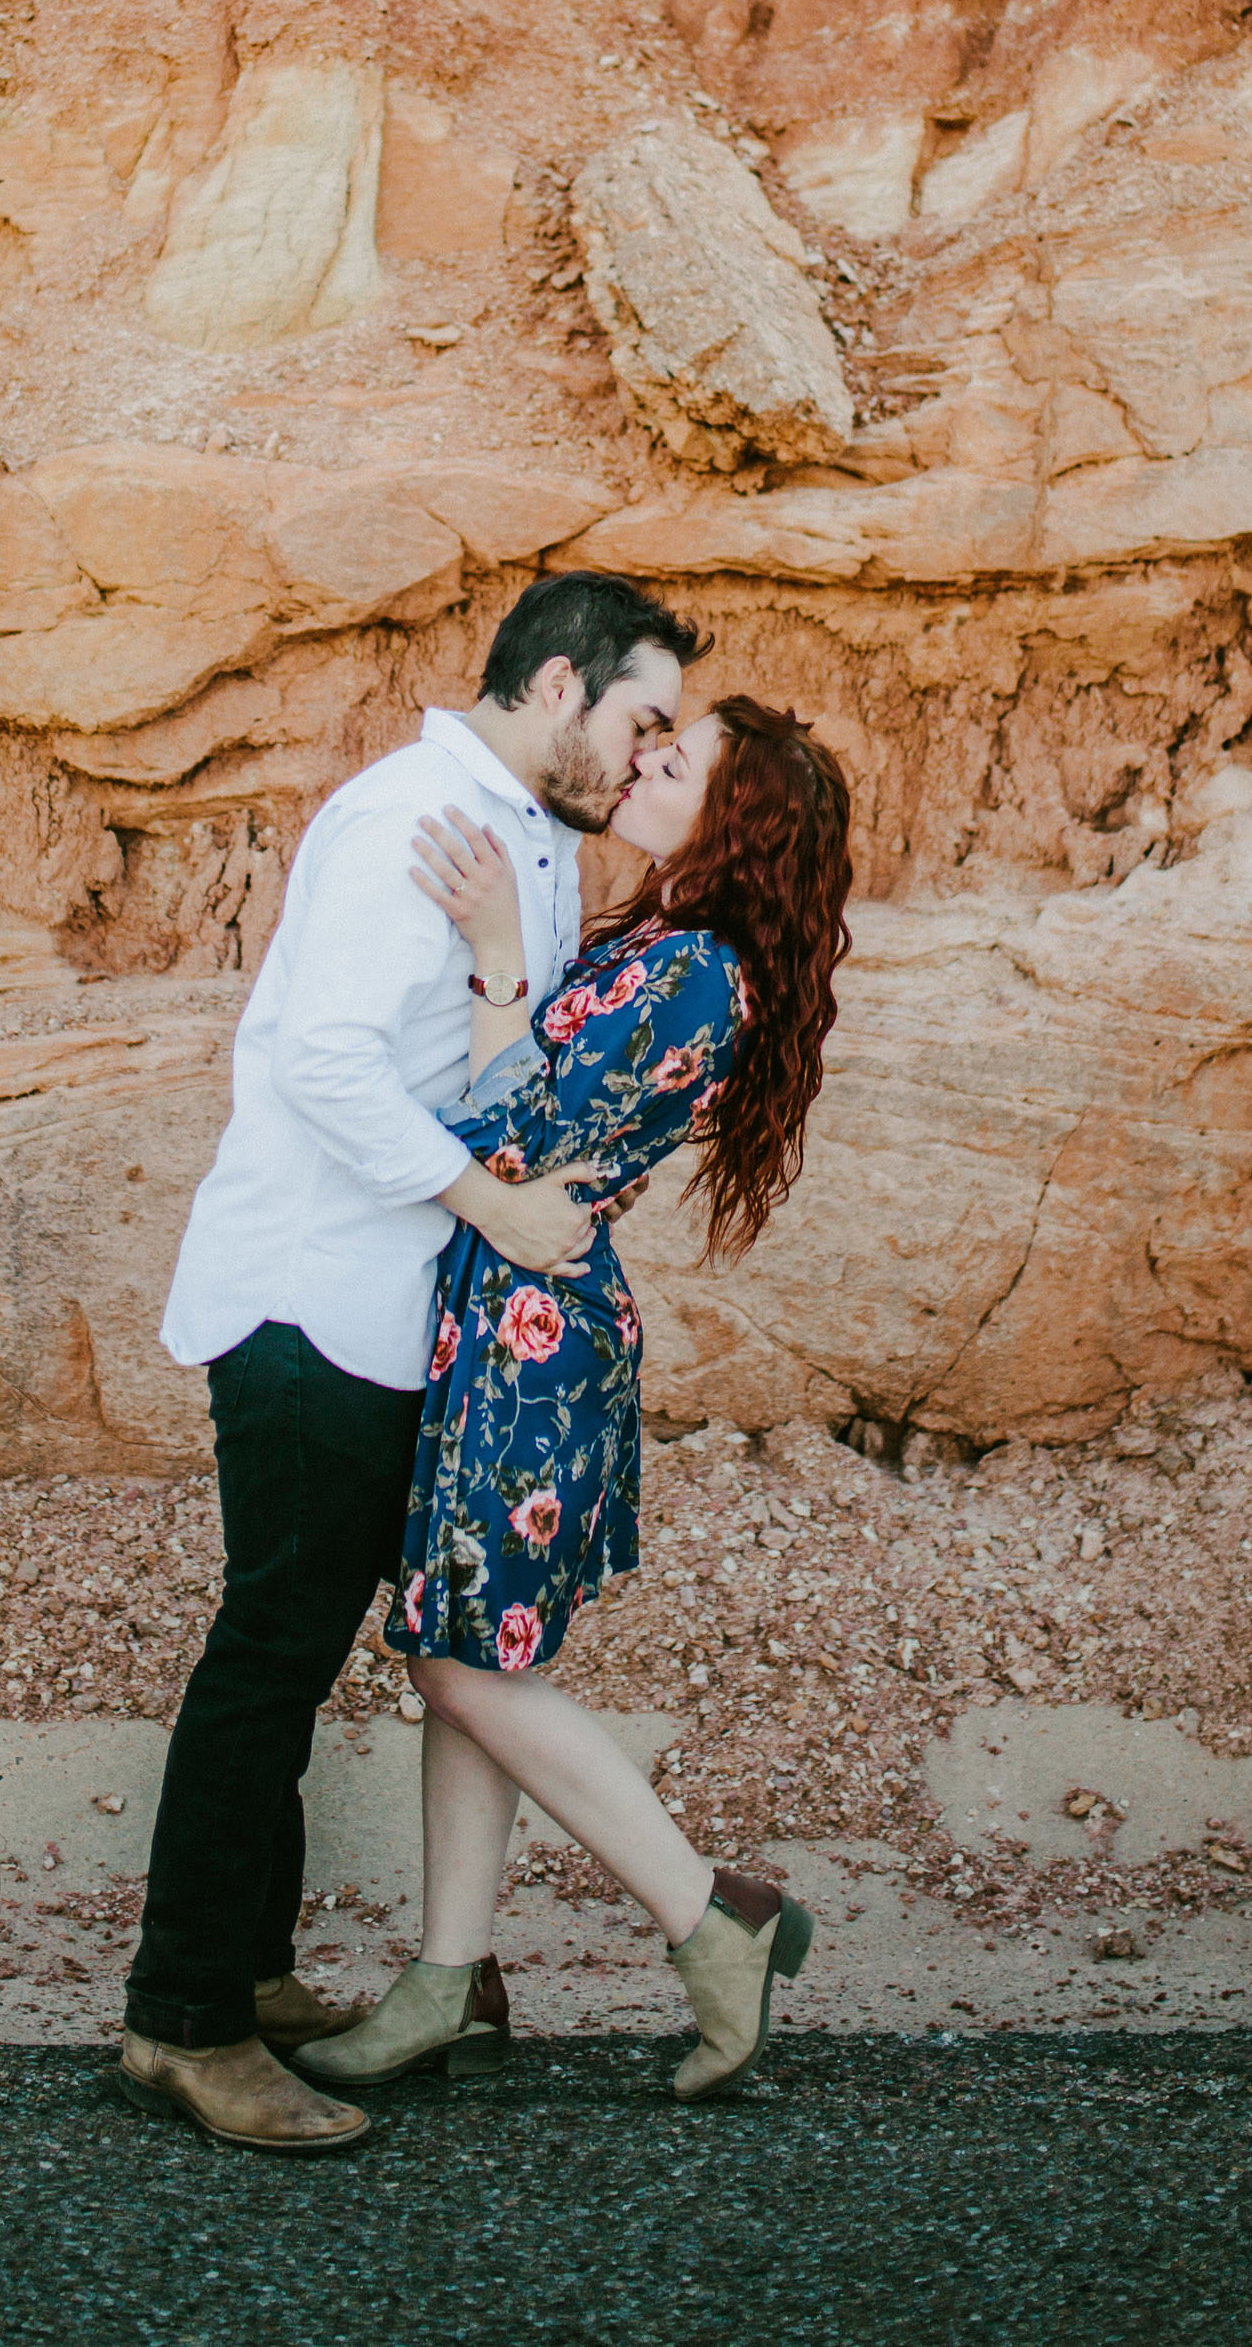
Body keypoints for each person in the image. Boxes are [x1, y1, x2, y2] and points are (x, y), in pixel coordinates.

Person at [114, 570, 707, 2152]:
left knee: (298, 1651)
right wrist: (490, 1203)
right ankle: (182, 2021)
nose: (648, 755)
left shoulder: (521, 836)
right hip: (314, 1299)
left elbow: (498, 1052)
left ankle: (247, 1969)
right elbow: (321, 1058)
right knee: (271, 1652)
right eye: (642, 718)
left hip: (390, 1308)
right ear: (565, 683)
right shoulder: (412, 821)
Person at [292, 694, 853, 2107]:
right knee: (479, 1654)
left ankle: (709, 1915)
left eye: (680, 763)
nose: (643, 764)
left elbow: (503, 1132)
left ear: (739, 821)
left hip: (534, 1333)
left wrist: (493, 961)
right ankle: (450, 1979)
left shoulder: (696, 974)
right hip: (512, 1313)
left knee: (455, 1660)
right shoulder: (668, 946)